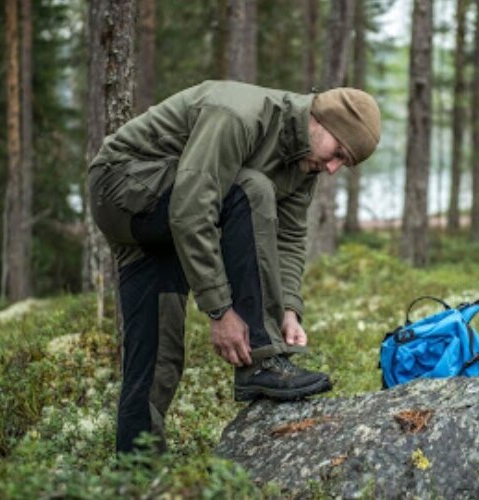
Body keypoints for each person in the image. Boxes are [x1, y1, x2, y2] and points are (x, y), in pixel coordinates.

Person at [87, 80, 381, 453]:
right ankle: (260, 360)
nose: (334, 168)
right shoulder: (239, 116)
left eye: (345, 163)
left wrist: (289, 309)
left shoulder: (305, 164)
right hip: (123, 184)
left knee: (159, 353)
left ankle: (135, 471)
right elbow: (192, 211)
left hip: (161, 214)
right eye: (337, 152)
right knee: (252, 188)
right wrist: (221, 311)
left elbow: (288, 238)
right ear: (319, 120)